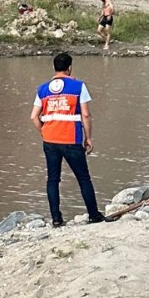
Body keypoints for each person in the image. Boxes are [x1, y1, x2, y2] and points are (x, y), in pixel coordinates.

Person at [30, 50, 105, 227]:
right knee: (83, 178)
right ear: (70, 68)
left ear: (54, 68)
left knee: (52, 179)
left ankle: (56, 219)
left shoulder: (42, 88)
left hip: (49, 141)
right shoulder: (78, 86)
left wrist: (43, 131)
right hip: (71, 139)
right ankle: (93, 215)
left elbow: (34, 116)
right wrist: (89, 138)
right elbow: (85, 114)